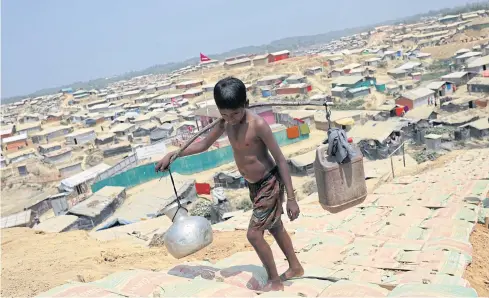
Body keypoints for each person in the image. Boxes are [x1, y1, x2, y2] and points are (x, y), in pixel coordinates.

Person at [156, 77, 303, 291]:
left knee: (253, 234)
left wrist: (291, 198)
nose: (231, 119)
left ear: (245, 104)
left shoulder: (258, 125)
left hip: (269, 182)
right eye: (224, 114)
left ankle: (275, 281)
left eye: (235, 114)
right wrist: (175, 154)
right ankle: (295, 267)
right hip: (253, 185)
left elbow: (280, 159)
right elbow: (204, 144)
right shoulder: (225, 122)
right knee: (275, 226)